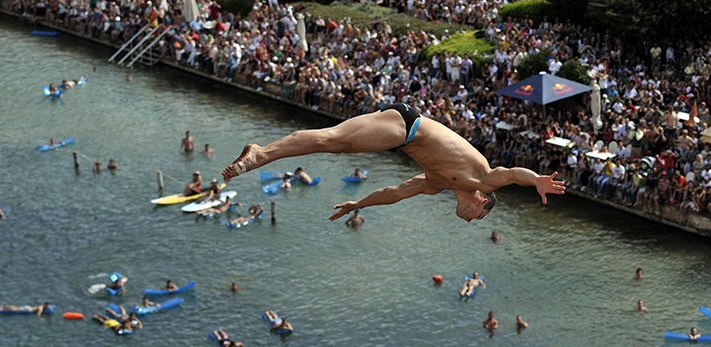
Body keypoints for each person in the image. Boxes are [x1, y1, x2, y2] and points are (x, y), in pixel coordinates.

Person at [222, 103, 566, 222]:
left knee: (335, 144)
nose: (471, 221)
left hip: (401, 134)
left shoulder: (436, 186)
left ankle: (261, 152)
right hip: (408, 126)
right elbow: (510, 174)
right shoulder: (484, 181)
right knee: (334, 141)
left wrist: (359, 203)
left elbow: (394, 192)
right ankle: (261, 154)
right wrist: (535, 179)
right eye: (478, 218)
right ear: (482, 203)